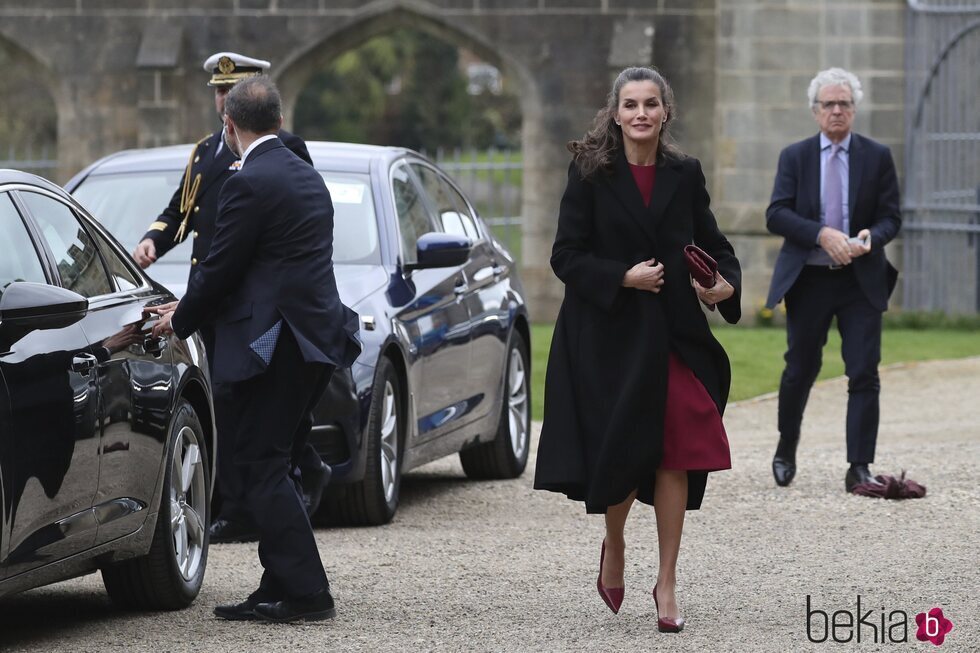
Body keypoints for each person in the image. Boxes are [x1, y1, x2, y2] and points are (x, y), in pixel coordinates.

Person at [533, 67, 741, 632]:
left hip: (674, 335)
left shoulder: (685, 172)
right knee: (623, 451)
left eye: (651, 103)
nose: (641, 113)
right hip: (608, 336)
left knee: (675, 447)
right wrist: (622, 277)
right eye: (631, 104)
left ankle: (667, 583)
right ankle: (615, 544)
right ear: (616, 113)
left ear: (666, 112)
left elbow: (715, 246)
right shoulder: (590, 172)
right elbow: (565, 255)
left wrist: (725, 286)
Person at [150, 76, 361, 622]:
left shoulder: (248, 182)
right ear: (280, 121)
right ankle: (278, 583)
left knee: (258, 464)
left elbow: (221, 268)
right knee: (279, 462)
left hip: (277, 347)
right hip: (316, 342)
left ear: (230, 125)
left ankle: (308, 593)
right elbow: (274, 265)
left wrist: (181, 319)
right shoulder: (305, 175)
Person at [133, 51, 330, 543]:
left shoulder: (281, 153)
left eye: (230, 91)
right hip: (218, 302)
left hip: (250, 304)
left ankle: (281, 488)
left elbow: (270, 237)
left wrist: (182, 314)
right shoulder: (205, 153)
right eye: (218, 92)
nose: (222, 100)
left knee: (259, 419)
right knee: (232, 408)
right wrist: (155, 241)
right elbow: (182, 210)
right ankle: (243, 505)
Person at [765, 67, 901, 493]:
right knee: (800, 368)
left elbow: (891, 218)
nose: (837, 110)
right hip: (810, 277)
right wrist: (820, 233)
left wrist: (869, 239)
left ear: (854, 110)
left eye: (845, 104)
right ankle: (787, 446)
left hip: (860, 279)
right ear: (815, 111)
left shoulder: (877, 156)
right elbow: (777, 214)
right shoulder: (795, 157)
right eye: (830, 104)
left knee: (864, 371)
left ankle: (858, 466)